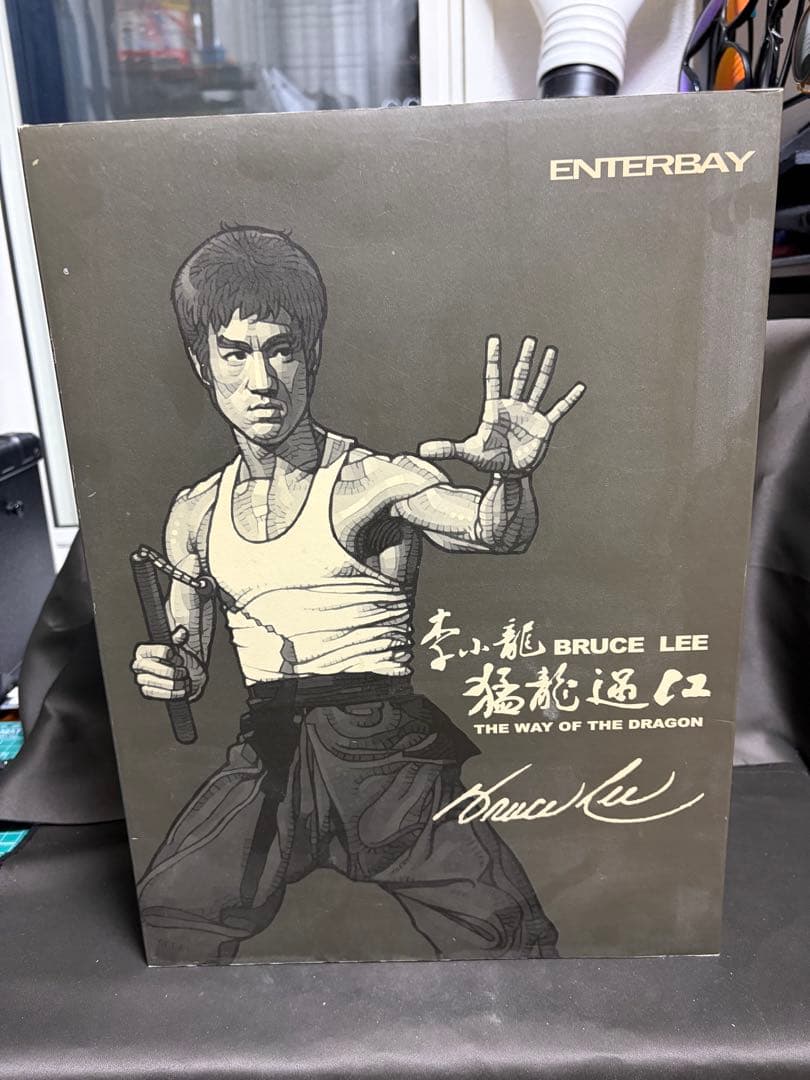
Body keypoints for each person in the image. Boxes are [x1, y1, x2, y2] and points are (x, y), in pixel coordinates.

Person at [131, 225, 584, 964]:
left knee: (504, 931)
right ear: (200, 362)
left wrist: (510, 474)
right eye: (235, 353)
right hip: (270, 750)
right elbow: (190, 661)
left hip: (381, 752)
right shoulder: (194, 513)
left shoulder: (378, 481)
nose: (262, 380)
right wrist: (170, 672)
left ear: (311, 353)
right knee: (171, 916)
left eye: (281, 350)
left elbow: (492, 531)